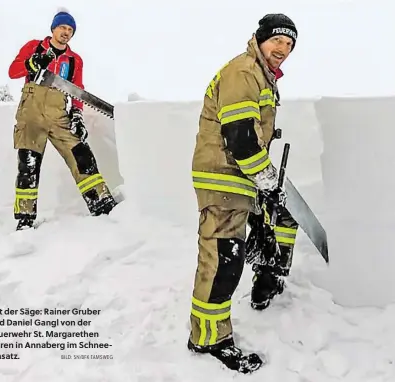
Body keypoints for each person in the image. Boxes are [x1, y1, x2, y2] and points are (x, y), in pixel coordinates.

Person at [188, 14, 299, 373]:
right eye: (277, 40)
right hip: (224, 177)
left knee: (277, 223)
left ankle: (267, 278)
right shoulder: (244, 72)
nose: (282, 49)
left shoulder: (260, 75)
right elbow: (239, 136)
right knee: (222, 261)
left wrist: (264, 185)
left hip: (240, 177)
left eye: (289, 44)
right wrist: (267, 180)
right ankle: (208, 337)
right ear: (260, 38)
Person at [8, 9, 117, 230]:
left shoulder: (74, 60)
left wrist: (77, 114)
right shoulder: (34, 46)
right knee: (28, 164)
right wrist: (32, 63)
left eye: (70, 30)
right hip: (31, 111)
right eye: (63, 28)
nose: (66, 33)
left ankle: (101, 204)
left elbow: (78, 90)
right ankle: (25, 219)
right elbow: (13, 71)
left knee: (81, 155)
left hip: (59, 115)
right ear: (53, 28)